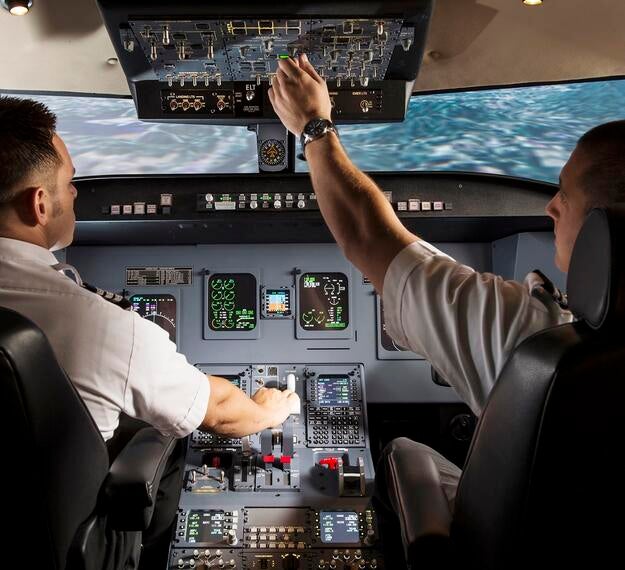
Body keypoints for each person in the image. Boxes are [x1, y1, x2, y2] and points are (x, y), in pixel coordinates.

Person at [268, 54, 625, 506]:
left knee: (403, 451)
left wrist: (315, 127)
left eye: (565, 194)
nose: (550, 207)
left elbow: (367, 235)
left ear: (604, 230)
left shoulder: (531, 333)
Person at [0, 96, 299, 554]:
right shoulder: (98, 324)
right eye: (69, 181)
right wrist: (270, 412)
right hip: (63, 548)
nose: (76, 192)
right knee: (169, 436)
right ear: (39, 204)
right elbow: (219, 411)